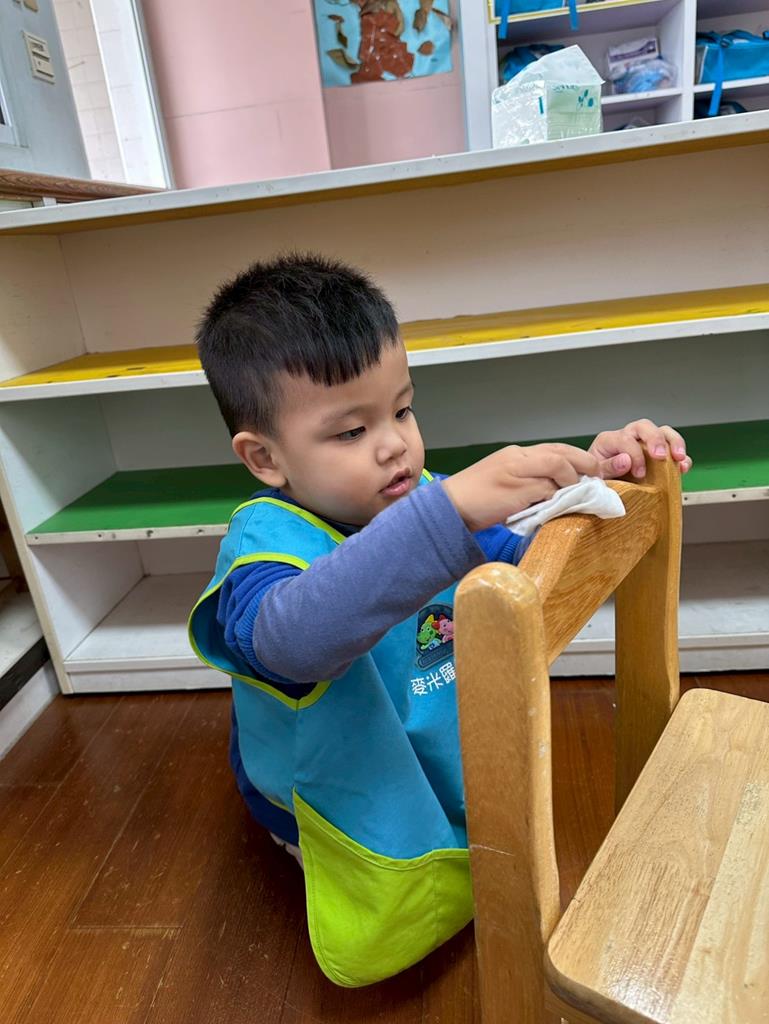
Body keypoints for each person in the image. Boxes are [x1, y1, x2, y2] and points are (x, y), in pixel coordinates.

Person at [188, 253, 691, 987]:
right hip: (328, 793)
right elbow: (292, 642)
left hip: (428, 740)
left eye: (401, 410)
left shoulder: (419, 493)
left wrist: (597, 482)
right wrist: (447, 512)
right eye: (349, 432)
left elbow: (532, 564)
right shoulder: (262, 549)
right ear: (265, 457)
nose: (394, 443)